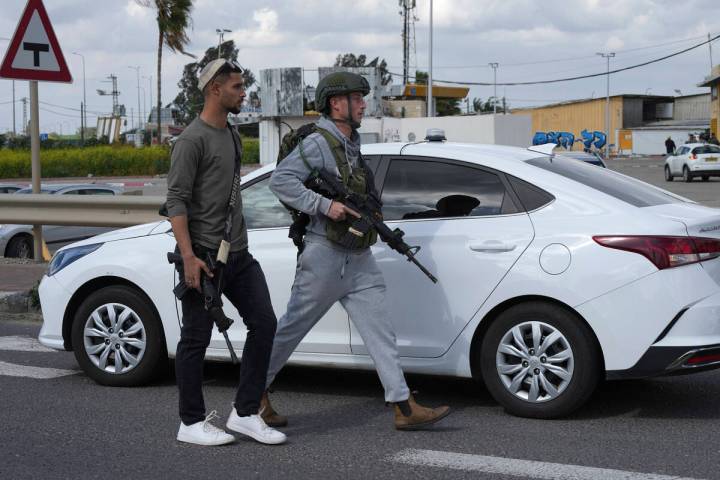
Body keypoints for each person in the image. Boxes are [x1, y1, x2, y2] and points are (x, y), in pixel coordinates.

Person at [263, 71, 451, 431]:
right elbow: (280, 180)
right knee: (291, 330)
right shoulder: (319, 142)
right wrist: (323, 205)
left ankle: (402, 405)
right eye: (357, 98)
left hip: (358, 256)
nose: (364, 104)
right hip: (324, 255)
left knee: (381, 329)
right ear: (337, 104)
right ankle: (254, 395)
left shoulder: (351, 143)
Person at [166, 59, 286, 446]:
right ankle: (190, 422)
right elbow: (176, 202)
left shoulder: (233, 136)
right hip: (202, 256)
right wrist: (188, 257)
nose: (242, 92)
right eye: (236, 86)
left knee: (265, 324)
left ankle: (246, 413)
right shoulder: (191, 140)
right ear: (215, 89)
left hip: (239, 254)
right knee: (195, 340)